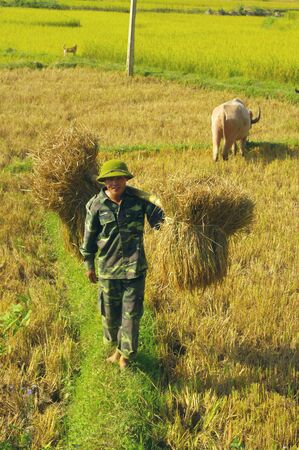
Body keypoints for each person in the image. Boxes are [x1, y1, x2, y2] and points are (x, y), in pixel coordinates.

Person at [80, 159, 164, 369]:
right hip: (108, 270)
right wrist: (88, 264)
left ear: (126, 179)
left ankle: (126, 356)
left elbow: (160, 223)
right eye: (110, 179)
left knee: (131, 315)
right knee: (110, 315)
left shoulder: (139, 201)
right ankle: (117, 349)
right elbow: (89, 238)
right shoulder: (96, 205)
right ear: (104, 182)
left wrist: (173, 208)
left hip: (135, 270)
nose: (115, 182)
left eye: (119, 178)